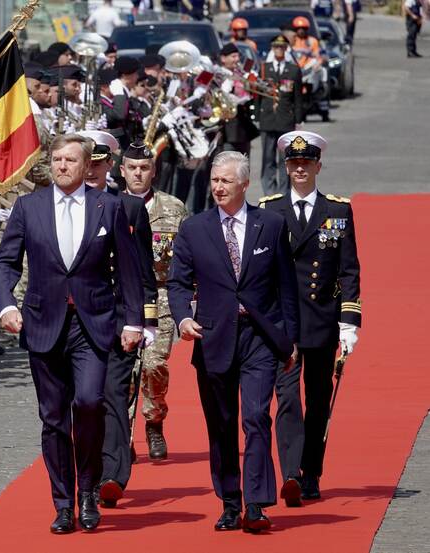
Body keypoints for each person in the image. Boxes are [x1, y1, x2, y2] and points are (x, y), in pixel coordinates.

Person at [0, 134, 143, 534]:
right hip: (44, 324)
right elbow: (6, 262)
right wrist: (6, 304)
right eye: (56, 159)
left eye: (70, 160)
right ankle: (63, 503)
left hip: (93, 323)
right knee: (53, 417)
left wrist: (134, 322)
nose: (62, 166)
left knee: (91, 402)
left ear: (85, 165)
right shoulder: (28, 207)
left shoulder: (108, 207)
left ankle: (89, 490)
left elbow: (129, 269)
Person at [167, 151, 299, 533]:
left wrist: (289, 340)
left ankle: (256, 503)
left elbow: (286, 287)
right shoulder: (194, 229)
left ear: (244, 184)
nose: (218, 187)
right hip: (213, 338)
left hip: (259, 336)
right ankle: (229, 501)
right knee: (221, 425)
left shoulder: (270, 225)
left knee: (256, 417)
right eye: (214, 181)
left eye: (226, 181)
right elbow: (178, 283)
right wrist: (183, 317)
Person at [260, 131, 361, 504]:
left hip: (321, 320)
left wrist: (350, 321)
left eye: (306, 163)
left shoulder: (337, 210)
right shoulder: (270, 210)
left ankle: (311, 471)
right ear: (286, 167)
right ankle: (290, 473)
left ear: (318, 166)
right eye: (293, 163)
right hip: (284, 322)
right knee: (287, 399)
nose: (299, 168)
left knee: (318, 400)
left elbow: (349, 269)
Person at [79, 134, 158, 508]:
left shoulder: (128, 208)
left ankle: (111, 474)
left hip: (117, 319)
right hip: (76, 322)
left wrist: (147, 321)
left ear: (109, 166)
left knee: (112, 395)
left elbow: (142, 270)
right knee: (82, 400)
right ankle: (85, 474)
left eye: (98, 164)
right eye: (87, 164)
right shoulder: (63, 208)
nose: (92, 171)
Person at [121, 142, 188, 461]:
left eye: (144, 168)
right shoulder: (108, 206)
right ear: (121, 171)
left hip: (160, 298)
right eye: (132, 168)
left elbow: (188, 257)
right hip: (120, 299)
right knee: (124, 372)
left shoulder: (173, 207)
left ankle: (154, 420)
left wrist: (191, 296)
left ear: (154, 171)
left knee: (153, 365)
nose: (138, 173)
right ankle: (123, 432)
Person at [258, 35, 302, 196]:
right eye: (276, 47)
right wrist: (256, 117)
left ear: (286, 49)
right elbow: (258, 97)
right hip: (268, 119)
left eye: (282, 47)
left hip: (286, 120)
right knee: (268, 158)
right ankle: (269, 192)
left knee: (285, 160)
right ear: (272, 48)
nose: (279, 49)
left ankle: (283, 193)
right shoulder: (264, 68)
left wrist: (298, 120)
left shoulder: (293, 70)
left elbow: (298, 98)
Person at [219, 43, 259, 156]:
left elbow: (253, 94)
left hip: (243, 127)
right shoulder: (218, 75)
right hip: (227, 129)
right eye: (233, 57)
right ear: (223, 58)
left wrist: (250, 79)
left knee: (244, 165)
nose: (237, 60)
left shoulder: (241, 74)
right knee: (228, 163)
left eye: (238, 56)